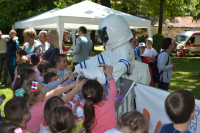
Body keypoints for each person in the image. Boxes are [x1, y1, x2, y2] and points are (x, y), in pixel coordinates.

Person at [14, 78, 85, 133]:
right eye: (42, 86)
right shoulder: (40, 106)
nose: (44, 86)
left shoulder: (36, 101)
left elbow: (55, 92)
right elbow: (62, 101)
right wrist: (77, 88)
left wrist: (71, 86)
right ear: (39, 95)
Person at [82, 66, 118, 133]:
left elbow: (87, 127)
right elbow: (113, 90)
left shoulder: (88, 107)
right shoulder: (109, 102)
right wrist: (109, 74)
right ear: (103, 93)